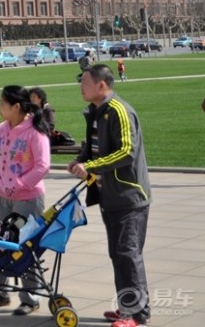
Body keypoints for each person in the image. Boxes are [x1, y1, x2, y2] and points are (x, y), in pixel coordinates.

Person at [68, 65, 152, 327]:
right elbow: (94, 148)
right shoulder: (96, 112)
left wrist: (90, 167)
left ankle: (137, 314)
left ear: (101, 85)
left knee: (128, 254)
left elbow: (127, 151)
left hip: (129, 197)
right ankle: (128, 307)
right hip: (110, 197)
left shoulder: (119, 110)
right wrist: (80, 160)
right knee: (118, 254)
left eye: (84, 82)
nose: (81, 87)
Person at [0, 85, 53, 315]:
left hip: (27, 200)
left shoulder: (35, 132)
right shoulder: (1, 129)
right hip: (1, 198)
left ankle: (30, 298)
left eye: (2, 103)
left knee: (25, 247)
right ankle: (0, 293)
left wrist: (19, 185)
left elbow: (43, 166)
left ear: (16, 107)